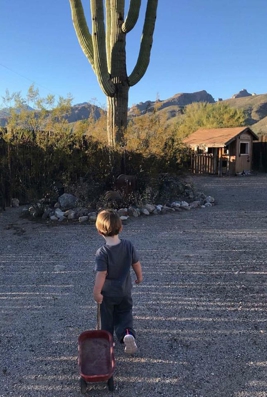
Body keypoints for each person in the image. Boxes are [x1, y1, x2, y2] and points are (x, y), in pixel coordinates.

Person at [93, 209, 143, 354]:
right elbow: (136, 263)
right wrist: (139, 277)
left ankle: (107, 341)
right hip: (125, 291)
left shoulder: (102, 252)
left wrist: (97, 292)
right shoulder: (128, 245)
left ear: (99, 231)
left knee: (107, 317)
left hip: (108, 294)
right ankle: (127, 334)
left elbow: (101, 274)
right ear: (121, 228)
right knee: (125, 313)